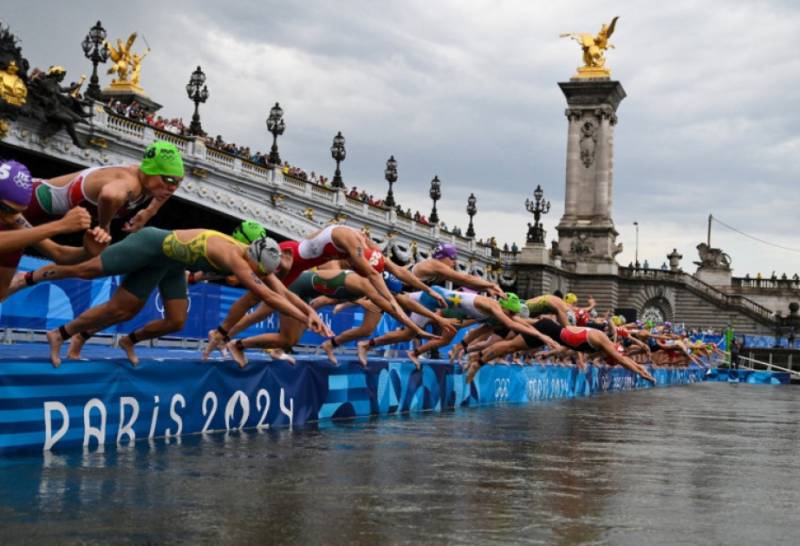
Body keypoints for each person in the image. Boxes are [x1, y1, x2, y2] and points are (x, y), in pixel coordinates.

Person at [13, 227, 332, 367]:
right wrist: (306, 316)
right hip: (151, 245)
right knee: (86, 271)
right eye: (261, 271)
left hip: (170, 264)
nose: (262, 276)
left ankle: (83, 336)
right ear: (254, 260)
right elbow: (266, 294)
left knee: (173, 320)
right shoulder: (235, 258)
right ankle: (28, 278)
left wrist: (309, 313)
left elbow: (280, 289)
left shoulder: (253, 259)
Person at [23, 141, 184, 250]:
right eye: (169, 180)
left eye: (178, 182)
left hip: (40, 214)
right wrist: (104, 226)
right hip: (26, 202)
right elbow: (109, 195)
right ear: (150, 171)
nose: (172, 188)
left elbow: (169, 183)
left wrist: (149, 212)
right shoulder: (131, 183)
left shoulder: (154, 184)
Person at [0, 159, 110, 301]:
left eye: (17, 212)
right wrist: (59, 226)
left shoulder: (13, 218)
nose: (10, 218)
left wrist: (88, 252)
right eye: (6, 209)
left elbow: (58, 253)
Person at [466, 318, 655, 384]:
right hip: (548, 329)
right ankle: (477, 360)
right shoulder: (602, 341)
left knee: (512, 342)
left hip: (552, 331)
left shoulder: (604, 343)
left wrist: (640, 369)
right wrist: (642, 372)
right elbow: (622, 360)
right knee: (510, 343)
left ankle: (477, 358)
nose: (607, 358)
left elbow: (622, 358)